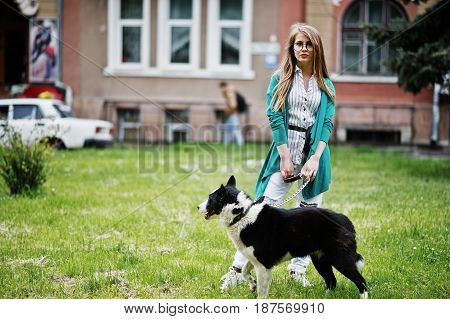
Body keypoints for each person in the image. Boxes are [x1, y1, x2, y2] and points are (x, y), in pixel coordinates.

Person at [219, 23, 336, 290]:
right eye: (299, 44)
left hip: (314, 155)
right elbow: (274, 116)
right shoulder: (279, 78)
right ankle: (237, 270)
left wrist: (315, 159)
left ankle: (298, 270)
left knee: (308, 215)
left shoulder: (325, 84)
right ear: (292, 48)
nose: (303, 49)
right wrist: (285, 156)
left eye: (308, 44)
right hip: (285, 150)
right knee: (259, 212)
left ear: (316, 48)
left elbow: (327, 123)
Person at [219, 82, 245, 146]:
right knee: (228, 129)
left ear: (224, 87)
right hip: (232, 114)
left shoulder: (229, 93)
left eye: (221, 88)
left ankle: (240, 143)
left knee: (236, 129)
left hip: (232, 114)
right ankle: (226, 144)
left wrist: (228, 112)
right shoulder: (229, 92)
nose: (220, 90)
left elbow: (233, 105)